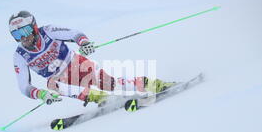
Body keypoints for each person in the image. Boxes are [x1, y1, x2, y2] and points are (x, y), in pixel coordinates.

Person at [10, 11, 175, 106]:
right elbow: (23, 86)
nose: (22, 38)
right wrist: (40, 94)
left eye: (24, 31)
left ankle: (154, 84)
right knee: (52, 84)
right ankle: (101, 98)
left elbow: (74, 34)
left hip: (76, 64)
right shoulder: (20, 56)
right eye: (16, 34)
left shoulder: (48, 31)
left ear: (34, 28)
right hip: (57, 78)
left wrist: (84, 42)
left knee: (109, 83)